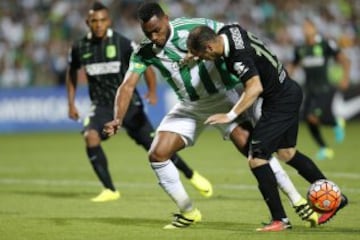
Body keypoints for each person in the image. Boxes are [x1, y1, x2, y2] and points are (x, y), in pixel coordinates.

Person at [104, 2, 318, 230]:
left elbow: (225, 39)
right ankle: (188, 211)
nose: (154, 37)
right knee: (157, 154)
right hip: (189, 106)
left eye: (157, 30)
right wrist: (118, 117)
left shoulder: (193, 26)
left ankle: (297, 201)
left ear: (166, 19)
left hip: (223, 98)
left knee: (255, 149)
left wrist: (199, 55)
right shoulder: (144, 51)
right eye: (149, 33)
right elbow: (127, 86)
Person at [186, 23, 348, 231]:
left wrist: (230, 115)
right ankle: (336, 198)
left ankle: (280, 219)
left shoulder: (238, 57)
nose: (205, 59)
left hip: (279, 102)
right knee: (287, 153)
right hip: (289, 90)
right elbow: (219, 44)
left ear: (209, 47)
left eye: (203, 55)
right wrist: (195, 55)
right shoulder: (230, 30)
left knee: (257, 158)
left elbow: (254, 88)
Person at [66, 1, 213, 202]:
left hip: (130, 105)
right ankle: (110, 189)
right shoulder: (79, 47)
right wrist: (71, 102)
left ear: (108, 21)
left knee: (157, 147)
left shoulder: (123, 43)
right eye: (94, 21)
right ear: (87, 22)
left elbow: (147, 65)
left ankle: (191, 174)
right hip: (101, 106)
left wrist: (152, 91)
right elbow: (72, 72)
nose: (98, 24)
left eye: (102, 20)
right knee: (90, 136)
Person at [288, 19, 350, 160]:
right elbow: (293, 65)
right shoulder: (300, 48)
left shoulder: (326, 44)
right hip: (309, 89)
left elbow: (344, 60)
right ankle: (325, 148)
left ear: (315, 28)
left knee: (312, 116)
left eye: (308, 27)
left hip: (325, 87)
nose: (305, 30)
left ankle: (335, 123)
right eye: (303, 27)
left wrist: (345, 78)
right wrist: (283, 78)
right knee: (308, 118)